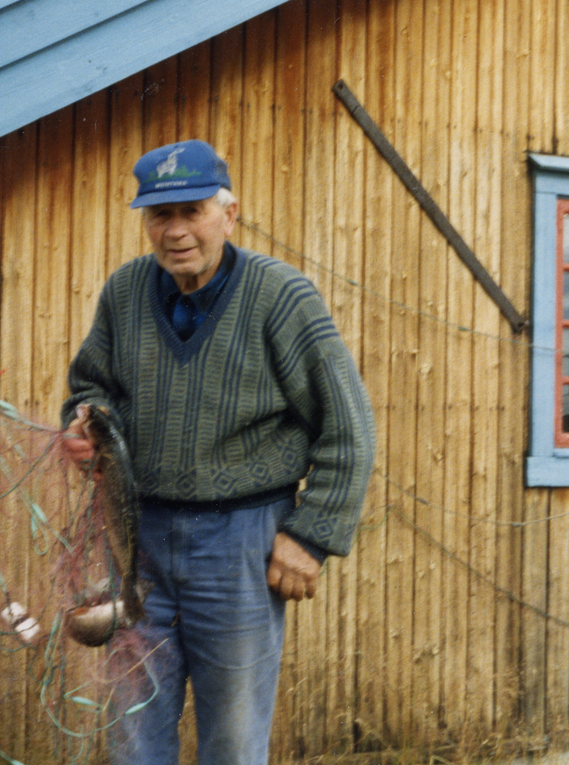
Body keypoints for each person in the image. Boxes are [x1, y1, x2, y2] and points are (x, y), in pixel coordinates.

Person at [60, 140, 376, 765]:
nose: (176, 231)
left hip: (240, 543)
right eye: (159, 215)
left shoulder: (281, 298)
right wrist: (86, 422)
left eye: (193, 210)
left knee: (231, 741)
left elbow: (350, 427)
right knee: (131, 734)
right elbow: (92, 384)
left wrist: (311, 536)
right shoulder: (124, 293)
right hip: (136, 539)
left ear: (229, 214)